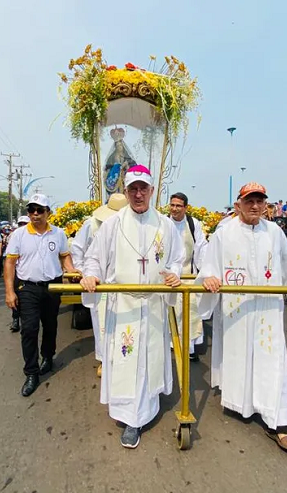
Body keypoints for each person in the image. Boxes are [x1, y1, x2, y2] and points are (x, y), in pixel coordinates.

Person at [198, 182, 287, 454]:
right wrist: (210, 279)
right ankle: (242, 403)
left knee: (272, 360)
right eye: (249, 201)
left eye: (259, 201)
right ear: (238, 204)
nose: (254, 206)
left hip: (267, 311)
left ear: (266, 205)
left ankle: (279, 422)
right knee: (239, 356)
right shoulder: (223, 233)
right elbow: (208, 267)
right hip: (236, 308)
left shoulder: (275, 232)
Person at [80, 165, 184, 449]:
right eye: (132, 189)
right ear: (125, 193)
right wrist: (90, 275)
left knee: (148, 359)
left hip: (152, 304)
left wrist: (174, 272)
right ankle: (129, 417)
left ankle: (145, 409)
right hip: (123, 303)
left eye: (143, 189)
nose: (138, 194)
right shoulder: (112, 225)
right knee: (126, 360)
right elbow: (93, 258)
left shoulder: (165, 225)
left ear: (152, 191)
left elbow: (176, 258)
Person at [6, 194, 79, 397]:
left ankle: (48, 357)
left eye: (40, 210)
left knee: (50, 325)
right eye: (31, 210)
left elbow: (65, 257)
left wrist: (72, 272)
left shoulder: (58, 234)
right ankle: (31, 372)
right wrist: (10, 291)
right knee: (29, 329)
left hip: (53, 286)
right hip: (27, 287)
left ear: (48, 212)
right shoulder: (19, 235)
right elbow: (10, 263)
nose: (35, 214)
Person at [72, 193, 128, 375]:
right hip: (99, 281)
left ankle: (123, 358)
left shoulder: (131, 225)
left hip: (125, 283)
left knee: (125, 323)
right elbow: (79, 248)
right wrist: (83, 272)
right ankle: (104, 360)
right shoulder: (92, 224)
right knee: (101, 323)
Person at [167, 192, 208, 361]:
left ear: (185, 208)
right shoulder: (163, 223)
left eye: (178, 206)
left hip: (188, 276)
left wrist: (205, 272)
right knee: (168, 311)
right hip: (167, 276)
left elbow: (201, 248)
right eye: (172, 205)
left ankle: (188, 349)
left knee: (189, 312)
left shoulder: (193, 224)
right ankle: (170, 344)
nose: (175, 209)